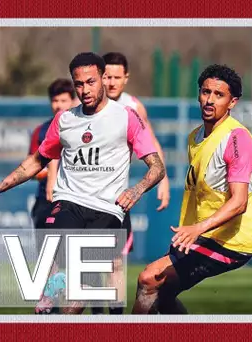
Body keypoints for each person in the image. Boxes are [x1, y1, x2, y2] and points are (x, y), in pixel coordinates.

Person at [0, 52, 166, 315]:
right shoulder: (65, 120)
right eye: (79, 84)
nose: (85, 89)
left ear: (102, 79)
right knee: (62, 257)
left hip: (108, 211)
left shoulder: (127, 117)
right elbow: (35, 161)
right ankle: (54, 290)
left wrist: (137, 189)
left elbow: (157, 166)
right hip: (69, 203)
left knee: (82, 289)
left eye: (91, 82)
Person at [131, 64, 252, 314]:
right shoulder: (196, 137)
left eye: (218, 95)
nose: (209, 100)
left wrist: (197, 228)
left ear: (233, 102)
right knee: (164, 293)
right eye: (205, 92)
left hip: (228, 240)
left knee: (149, 280)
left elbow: (239, 202)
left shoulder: (236, 139)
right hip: (201, 236)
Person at [99, 51, 171, 315]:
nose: (112, 82)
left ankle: (116, 319)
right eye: (107, 76)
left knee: (116, 262)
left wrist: (163, 181)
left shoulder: (133, 107)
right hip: (85, 196)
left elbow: (149, 145)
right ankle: (96, 315)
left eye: (117, 76)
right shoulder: (86, 103)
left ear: (126, 78)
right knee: (89, 262)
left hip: (117, 198)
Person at [28, 79, 77, 248]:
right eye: (55, 101)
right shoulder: (41, 131)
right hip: (46, 200)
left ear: (73, 100)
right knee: (47, 256)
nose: (59, 105)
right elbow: (32, 168)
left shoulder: (83, 127)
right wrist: (51, 174)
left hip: (77, 200)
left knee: (77, 255)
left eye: (63, 101)